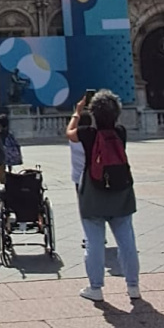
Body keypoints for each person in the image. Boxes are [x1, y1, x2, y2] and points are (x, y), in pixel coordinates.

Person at [67, 89, 140, 302]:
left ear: (93, 113)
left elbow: (69, 132)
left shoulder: (86, 134)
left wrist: (77, 112)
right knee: (127, 241)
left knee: (94, 242)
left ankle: (96, 287)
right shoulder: (120, 132)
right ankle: (133, 286)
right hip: (121, 192)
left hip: (94, 193)